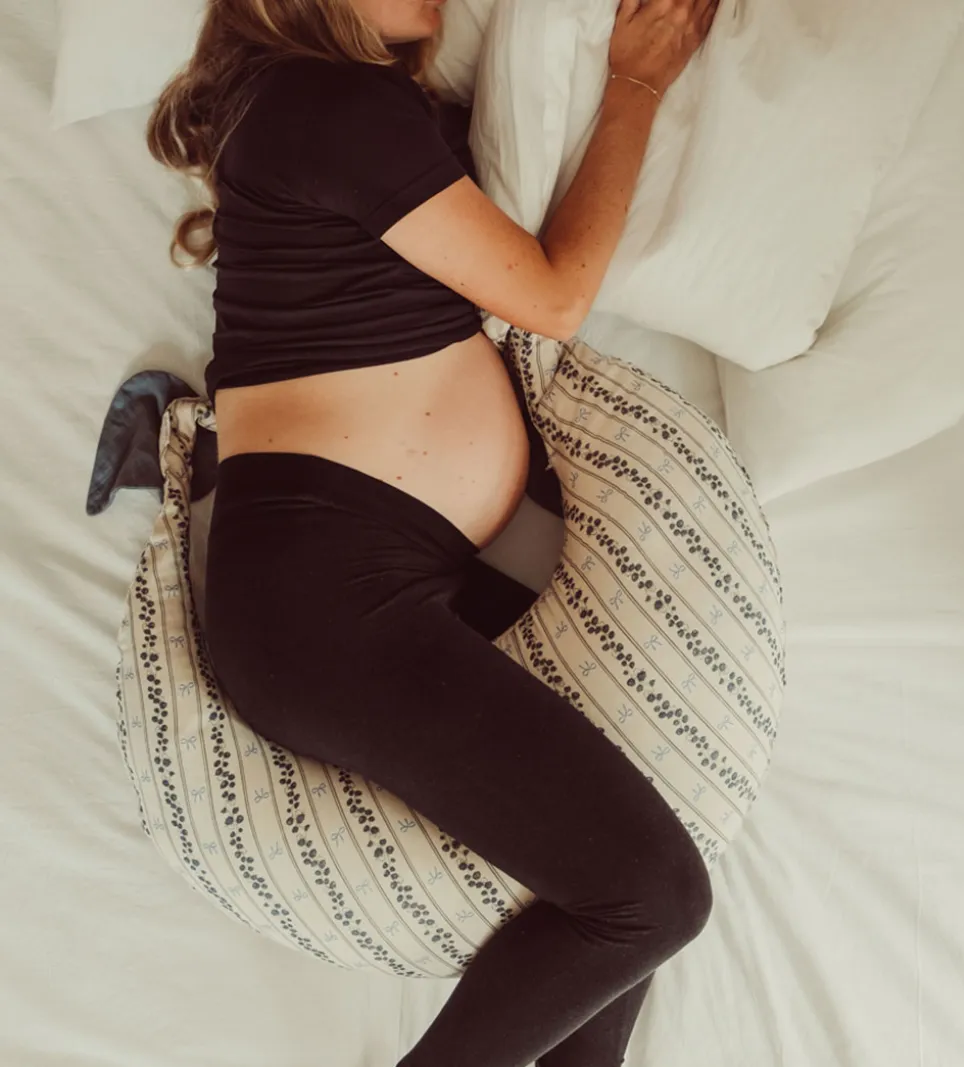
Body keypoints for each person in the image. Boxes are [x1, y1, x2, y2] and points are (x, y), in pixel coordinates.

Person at [147, 0, 720, 1064]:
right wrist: (638, 84)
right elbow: (555, 296)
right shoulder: (324, 106)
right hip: (326, 609)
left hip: (356, 592)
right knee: (650, 896)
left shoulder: (333, 107)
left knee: (621, 878)